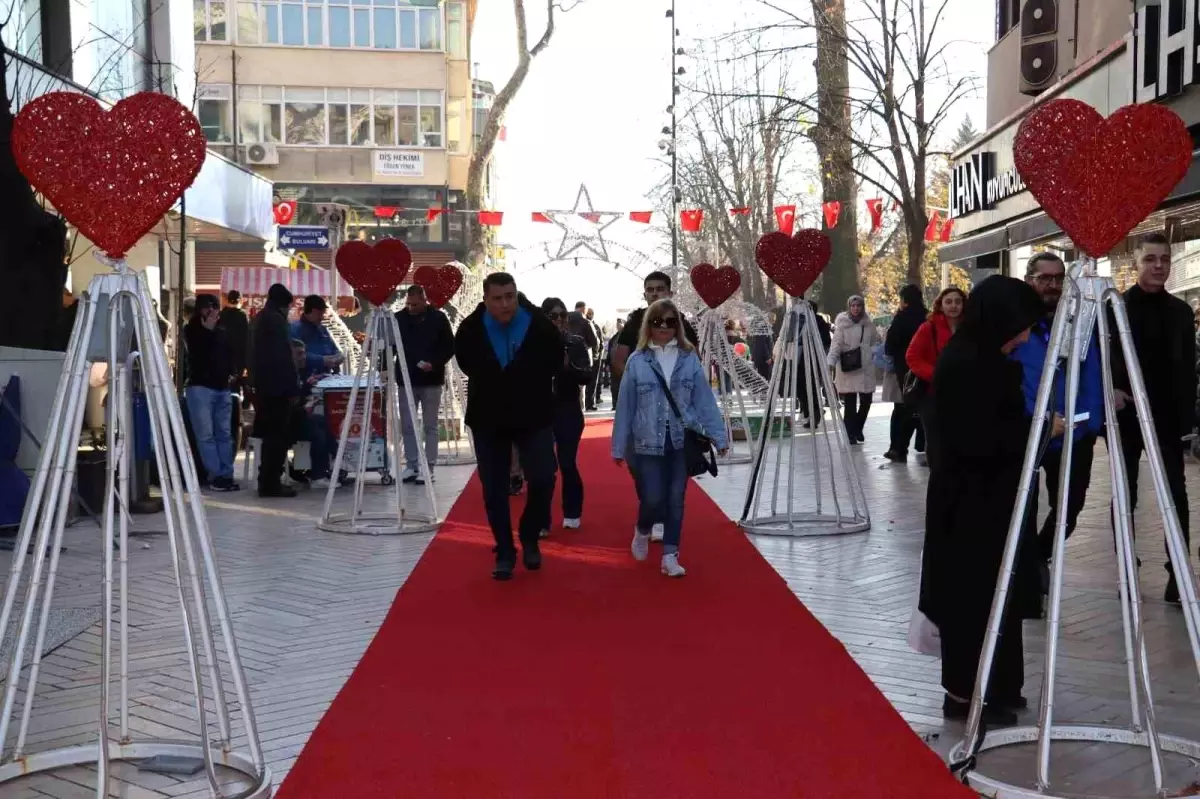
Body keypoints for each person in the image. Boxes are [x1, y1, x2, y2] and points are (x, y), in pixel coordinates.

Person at [920, 275, 1050, 725]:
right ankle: (964, 695)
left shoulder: (987, 358)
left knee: (1000, 593)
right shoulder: (967, 364)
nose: (1024, 337)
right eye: (1020, 326)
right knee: (970, 599)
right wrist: (1037, 432)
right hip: (968, 505)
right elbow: (974, 439)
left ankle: (999, 685)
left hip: (993, 500)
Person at [454, 273, 562, 580]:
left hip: (533, 414)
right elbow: (465, 362)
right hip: (488, 417)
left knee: (543, 477)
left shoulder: (538, 324)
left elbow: (555, 359)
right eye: (498, 298)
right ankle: (504, 549)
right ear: (486, 299)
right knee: (494, 488)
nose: (506, 304)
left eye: (510, 296)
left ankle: (529, 534)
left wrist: (527, 379)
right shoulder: (471, 329)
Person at [1109, 233, 1197, 605]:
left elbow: (1187, 370)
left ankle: (1178, 572)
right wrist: (1111, 389)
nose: (1159, 266)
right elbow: (1102, 356)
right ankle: (1127, 569)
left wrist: (1189, 421)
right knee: (1123, 494)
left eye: (1164, 259)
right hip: (1127, 416)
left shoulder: (1180, 311)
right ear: (1136, 262)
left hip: (1166, 419)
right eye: (1151, 259)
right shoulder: (1116, 307)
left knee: (1175, 496)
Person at [612, 299, 728, 578]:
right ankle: (642, 529)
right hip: (646, 441)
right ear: (648, 326)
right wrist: (618, 445)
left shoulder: (689, 359)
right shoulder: (637, 361)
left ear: (678, 326)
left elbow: (704, 400)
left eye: (670, 322)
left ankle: (670, 555)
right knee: (652, 498)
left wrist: (719, 436)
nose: (664, 327)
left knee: (676, 498)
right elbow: (626, 404)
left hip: (679, 439)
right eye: (657, 322)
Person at [1013, 253, 1104, 574]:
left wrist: (1091, 422)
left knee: (1069, 506)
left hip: (1073, 433)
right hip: (1029, 431)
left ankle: (1038, 557)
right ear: (1029, 280)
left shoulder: (1078, 321)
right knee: (1022, 506)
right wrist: (1028, 421)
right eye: (1044, 278)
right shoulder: (1016, 322)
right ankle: (1025, 575)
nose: (1052, 285)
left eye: (1058, 278)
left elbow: (1092, 371)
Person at [612, 272, 700, 542]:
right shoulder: (636, 322)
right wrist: (640, 383)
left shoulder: (681, 323)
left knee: (672, 479)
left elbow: (695, 360)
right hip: (642, 412)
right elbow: (619, 359)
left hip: (675, 417)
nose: (654, 294)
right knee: (642, 472)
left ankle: (664, 529)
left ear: (670, 293)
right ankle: (651, 511)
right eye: (649, 290)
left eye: (659, 289)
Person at [394, 285, 455, 484]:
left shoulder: (438, 318)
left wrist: (435, 363)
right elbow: (391, 345)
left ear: (424, 300)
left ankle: (429, 467)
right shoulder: (398, 319)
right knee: (408, 425)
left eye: (415, 304)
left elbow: (449, 346)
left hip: (431, 380)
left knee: (430, 425)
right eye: (408, 304)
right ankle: (411, 465)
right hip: (406, 379)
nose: (411, 307)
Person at [541, 297, 593, 531]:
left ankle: (572, 510)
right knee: (543, 467)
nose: (559, 320)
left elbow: (586, 375)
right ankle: (541, 519)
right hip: (539, 411)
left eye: (562, 315)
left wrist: (567, 365)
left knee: (567, 462)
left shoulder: (576, 342)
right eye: (553, 316)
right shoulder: (533, 343)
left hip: (568, 408)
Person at [905, 286, 966, 471]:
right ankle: (938, 475)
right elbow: (912, 356)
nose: (953, 306)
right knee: (936, 438)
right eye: (948, 302)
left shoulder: (969, 327)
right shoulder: (929, 327)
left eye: (958, 301)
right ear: (940, 305)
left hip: (962, 392)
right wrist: (936, 375)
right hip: (933, 393)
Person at [183, 294, 239, 492]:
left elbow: (230, 353)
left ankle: (226, 474)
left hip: (222, 387)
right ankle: (215, 475)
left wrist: (233, 372)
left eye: (215, 307)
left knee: (224, 434)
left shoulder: (223, 331)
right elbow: (198, 355)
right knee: (206, 435)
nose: (213, 311)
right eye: (208, 307)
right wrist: (208, 330)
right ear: (200, 310)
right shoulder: (191, 330)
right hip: (200, 387)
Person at [250, 283, 300, 498]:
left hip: (264, 387)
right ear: (283, 304)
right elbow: (284, 358)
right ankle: (271, 483)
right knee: (277, 438)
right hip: (278, 389)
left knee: (272, 436)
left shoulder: (261, 318)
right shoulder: (277, 321)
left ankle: (267, 481)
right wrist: (292, 387)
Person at [827, 295, 880, 444]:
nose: (856, 308)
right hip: (848, 367)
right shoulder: (842, 325)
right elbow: (836, 345)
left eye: (859, 306)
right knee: (850, 403)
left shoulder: (869, 324)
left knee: (866, 401)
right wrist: (830, 362)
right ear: (849, 307)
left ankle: (857, 428)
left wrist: (870, 354)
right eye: (853, 306)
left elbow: (874, 341)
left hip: (865, 366)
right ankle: (850, 433)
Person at [884, 285, 928, 463]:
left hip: (905, 370)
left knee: (903, 409)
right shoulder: (928, 317)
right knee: (923, 408)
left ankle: (898, 448)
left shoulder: (901, 318)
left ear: (905, 300)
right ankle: (922, 445)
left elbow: (890, 345)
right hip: (926, 369)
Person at [290, 295, 344, 378]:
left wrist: (339, 356)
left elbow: (334, 348)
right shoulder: (294, 329)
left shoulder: (322, 329)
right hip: (305, 380)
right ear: (314, 311)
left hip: (326, 378)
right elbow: (296, 356)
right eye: (321, 314)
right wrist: (322, 360)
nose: (322, 317)